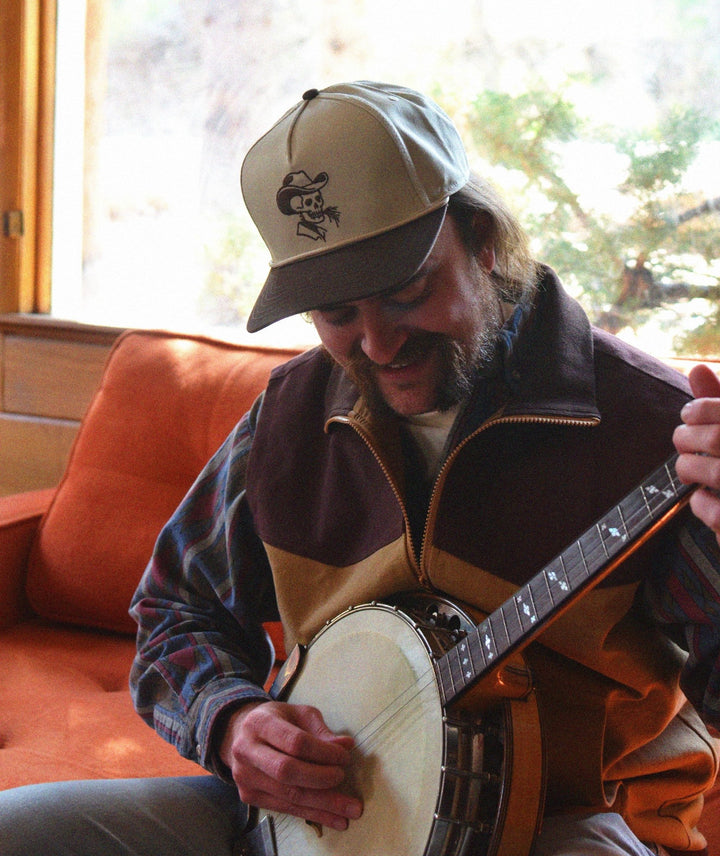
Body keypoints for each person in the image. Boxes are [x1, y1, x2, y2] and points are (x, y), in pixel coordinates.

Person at [1, 81, 719, 856]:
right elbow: (175, 610)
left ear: (482, 241)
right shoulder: (289, 415)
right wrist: (234, 721)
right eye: (337, 314)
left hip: (558, 828)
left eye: (407, 294)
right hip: (306, 826)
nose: (376, 347)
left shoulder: (653, 429)